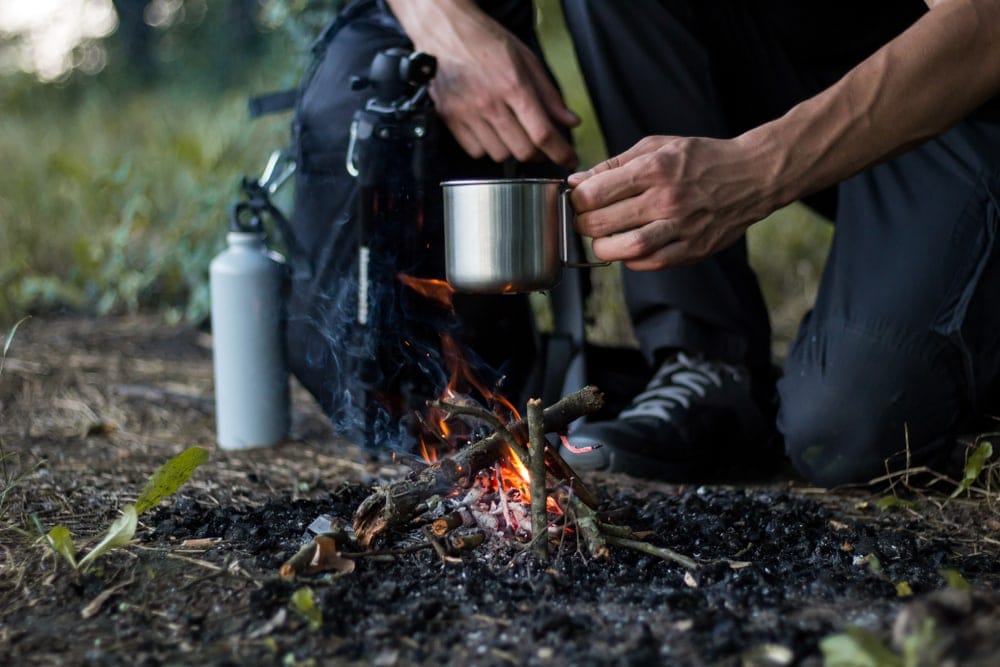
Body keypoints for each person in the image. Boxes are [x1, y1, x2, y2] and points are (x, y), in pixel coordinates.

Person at [383, 0, 1000, 487]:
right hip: (812, 57)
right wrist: (441, 18)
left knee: (842, 433)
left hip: (964, 94)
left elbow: (985, 27)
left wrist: (757, 170)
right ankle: (705, 360)